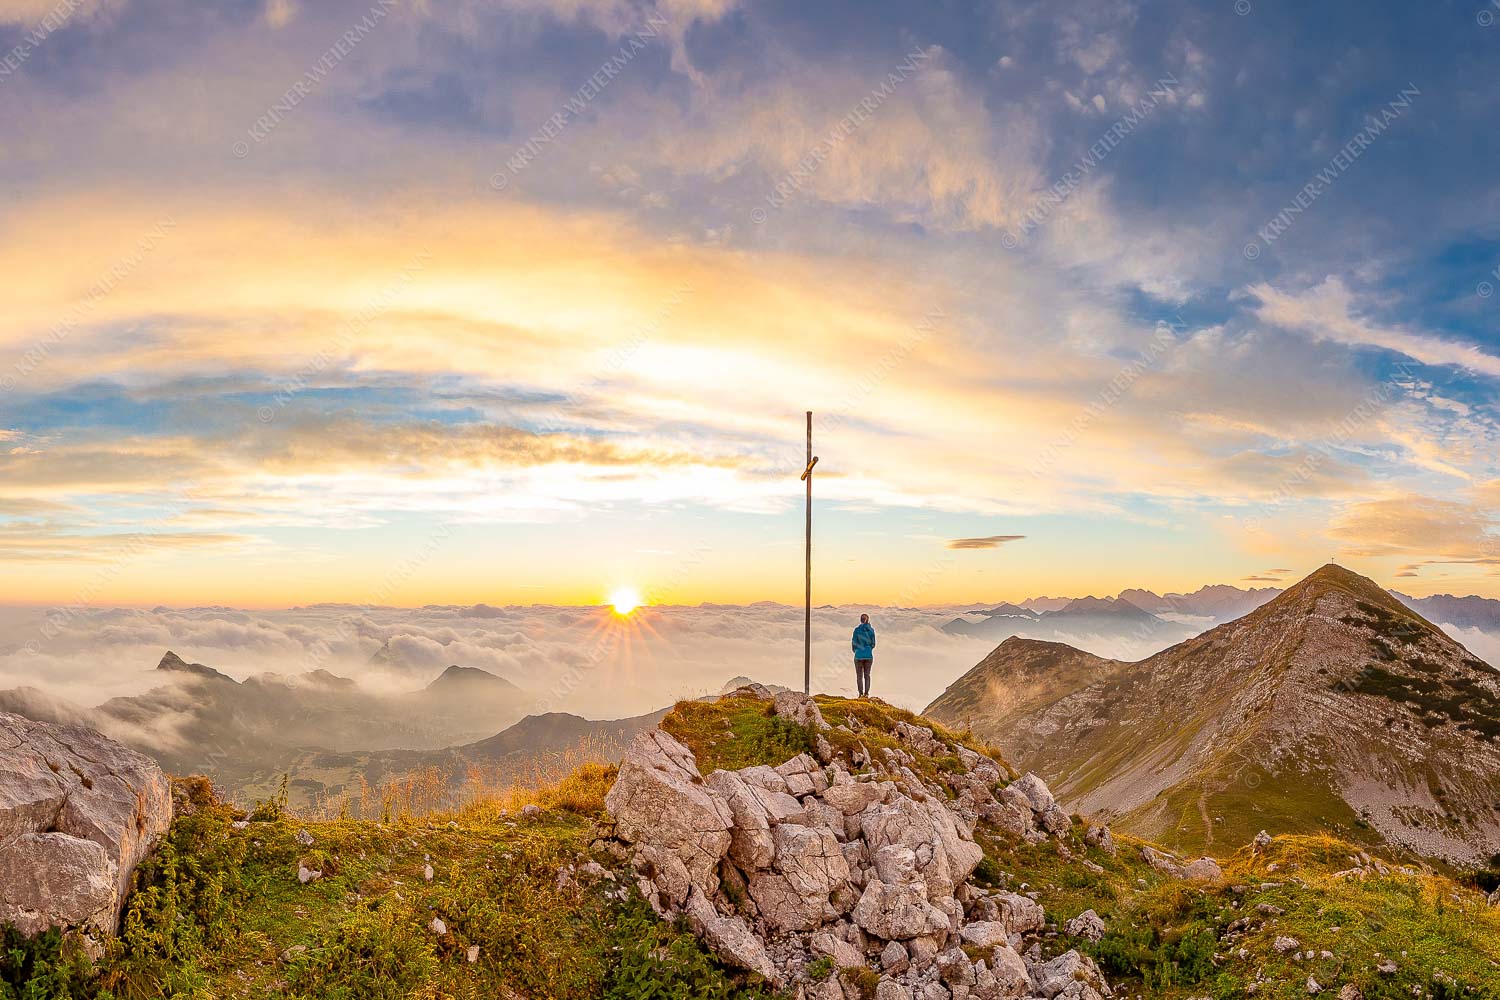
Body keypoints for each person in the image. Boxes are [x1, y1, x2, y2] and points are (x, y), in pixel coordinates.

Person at [851, 613, 875, 697]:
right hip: (868, 656)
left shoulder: (857, 630)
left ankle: (860, 694)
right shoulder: (871, 630)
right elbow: (873, 644)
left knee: (859, 676)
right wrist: (868, 650)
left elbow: (853, 643)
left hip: (858, 656)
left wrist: (856, 651)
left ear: (860, 620)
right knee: (867, 675)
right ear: (868, 620)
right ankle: (866, 694)